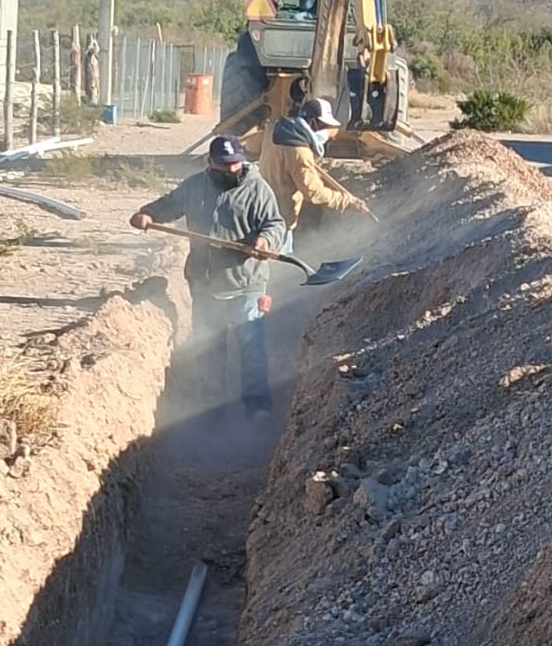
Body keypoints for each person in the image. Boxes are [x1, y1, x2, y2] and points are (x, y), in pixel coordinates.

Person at [130, 134, 288, 421]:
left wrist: (264, 241)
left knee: (251, 348)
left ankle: (257, 407)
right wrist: (147, 214)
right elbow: (169, 204)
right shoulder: (194, 187)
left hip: (246, 283)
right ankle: (211, 408)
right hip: (205, 282)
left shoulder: (257, 189)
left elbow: (275, 224)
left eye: (236, 164)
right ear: (210, 163)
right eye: (224, 165)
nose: (231, 171)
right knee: (211, 349)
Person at [258, 95, 371, 236]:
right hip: (279, 219)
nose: (327, 132)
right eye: (324, 126)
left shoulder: (274, 129)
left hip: (262, 205)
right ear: (312, 123)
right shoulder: (300, 152)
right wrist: (347, 202)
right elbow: (313, 192)